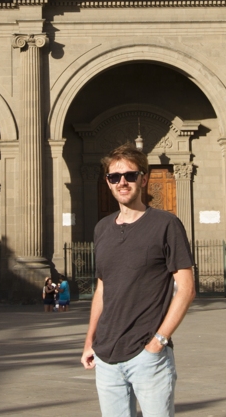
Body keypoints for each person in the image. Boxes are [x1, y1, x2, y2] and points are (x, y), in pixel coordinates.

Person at [81, 144, 195, 417]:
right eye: (114, 177)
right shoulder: (102, 228)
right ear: (108, 182)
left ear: (144, 179)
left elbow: (187, 289)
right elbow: (102, 289)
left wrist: (159, 341)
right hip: (106, 355)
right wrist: (89, 341)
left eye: (130, 175)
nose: (122, 182)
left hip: (147, 356)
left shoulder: (166, 224)